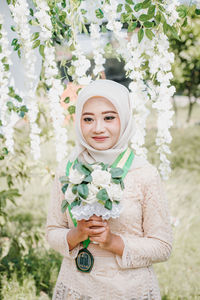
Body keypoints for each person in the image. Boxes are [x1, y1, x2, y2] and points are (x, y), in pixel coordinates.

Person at [46, 79, 172, 300]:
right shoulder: (68, 170)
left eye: (109, 117)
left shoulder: (144, 174)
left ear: (124, 119)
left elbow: (162, 246)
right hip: (76, 288)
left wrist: (112, 241)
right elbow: (52, 231)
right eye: (88, 119)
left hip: (129, 290)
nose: (98, 128)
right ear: (78, 121)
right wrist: (77, 234)